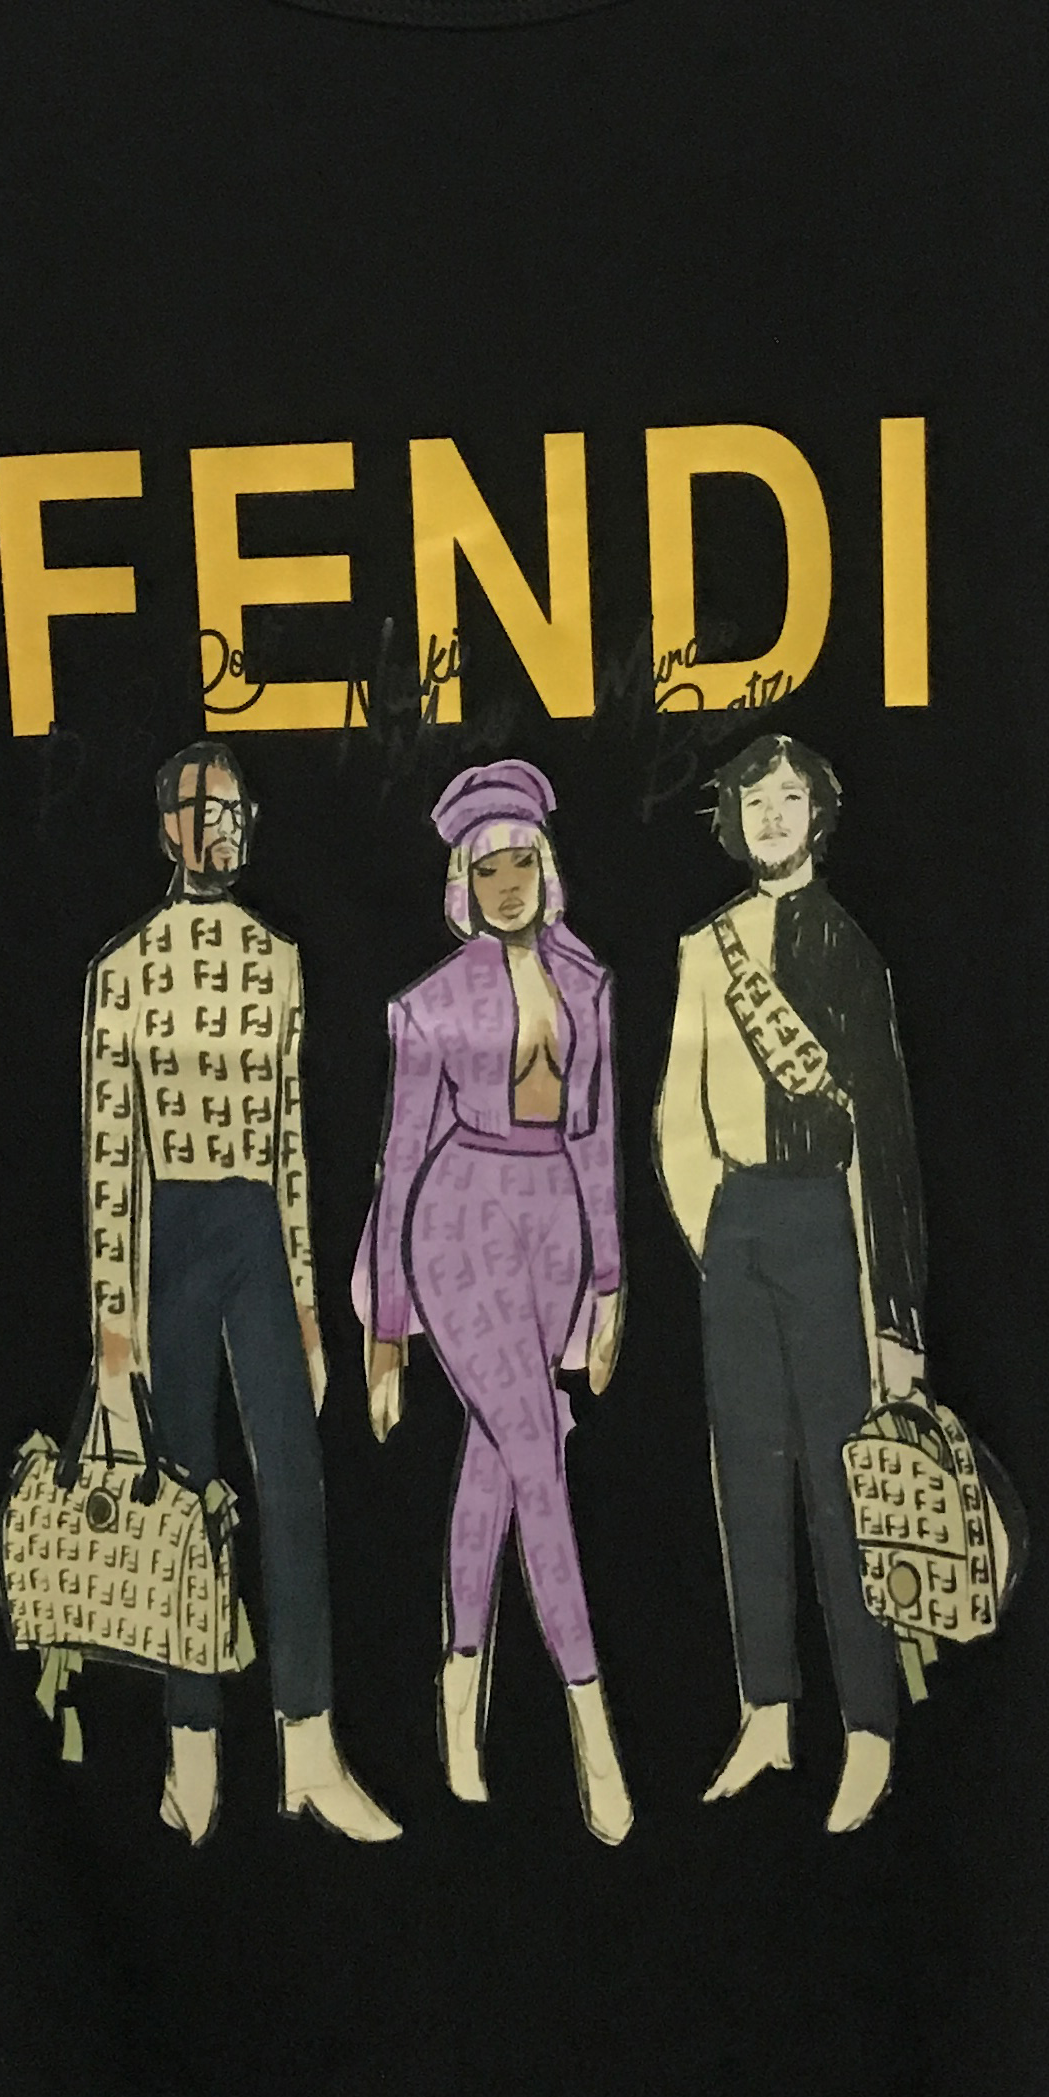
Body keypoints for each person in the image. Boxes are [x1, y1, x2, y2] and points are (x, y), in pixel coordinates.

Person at [82, 743, 397, 1848]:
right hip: (167, 1232)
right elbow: (109, 1153)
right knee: (183, 1497)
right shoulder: (124, 967)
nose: (222, 829)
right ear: (168, 823)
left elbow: (291, 1143)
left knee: (294, 1484)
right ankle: (193, 1753)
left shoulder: (277, 960)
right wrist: (112, 1328)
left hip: (257, 1231)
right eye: (203, 810)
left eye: (235, 811)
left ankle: (309, 1748)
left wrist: (308, 1304)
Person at [356, 758, 633, 1842]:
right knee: (539, 1463)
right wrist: (386, 1332)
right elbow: (398, 1157)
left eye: (521, 862)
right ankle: (593, 1728)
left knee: (497, 1461)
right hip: (459, 1219)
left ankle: (459, 1696)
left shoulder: (589, 984)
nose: (508, 884)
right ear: (462, 883)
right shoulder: (430, 1006)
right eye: (488, 868)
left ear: (545, 866)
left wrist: (609, 1287)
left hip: (554, 1224)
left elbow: (598, 1143)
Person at [655, 733, 926, 1835]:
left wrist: (896, 1312)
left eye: (789, 798)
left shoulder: (849, 947)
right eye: (755, 800)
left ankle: (869, 1726)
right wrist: (712, 1228)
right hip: (738, 1222)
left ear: (819, 813)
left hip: (826, 1222)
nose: (771, 816)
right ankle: (766, 1709)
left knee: (840, 1477)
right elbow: (678, 1106)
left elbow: (887, 1135)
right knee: (747, 1471)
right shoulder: (704, 947)